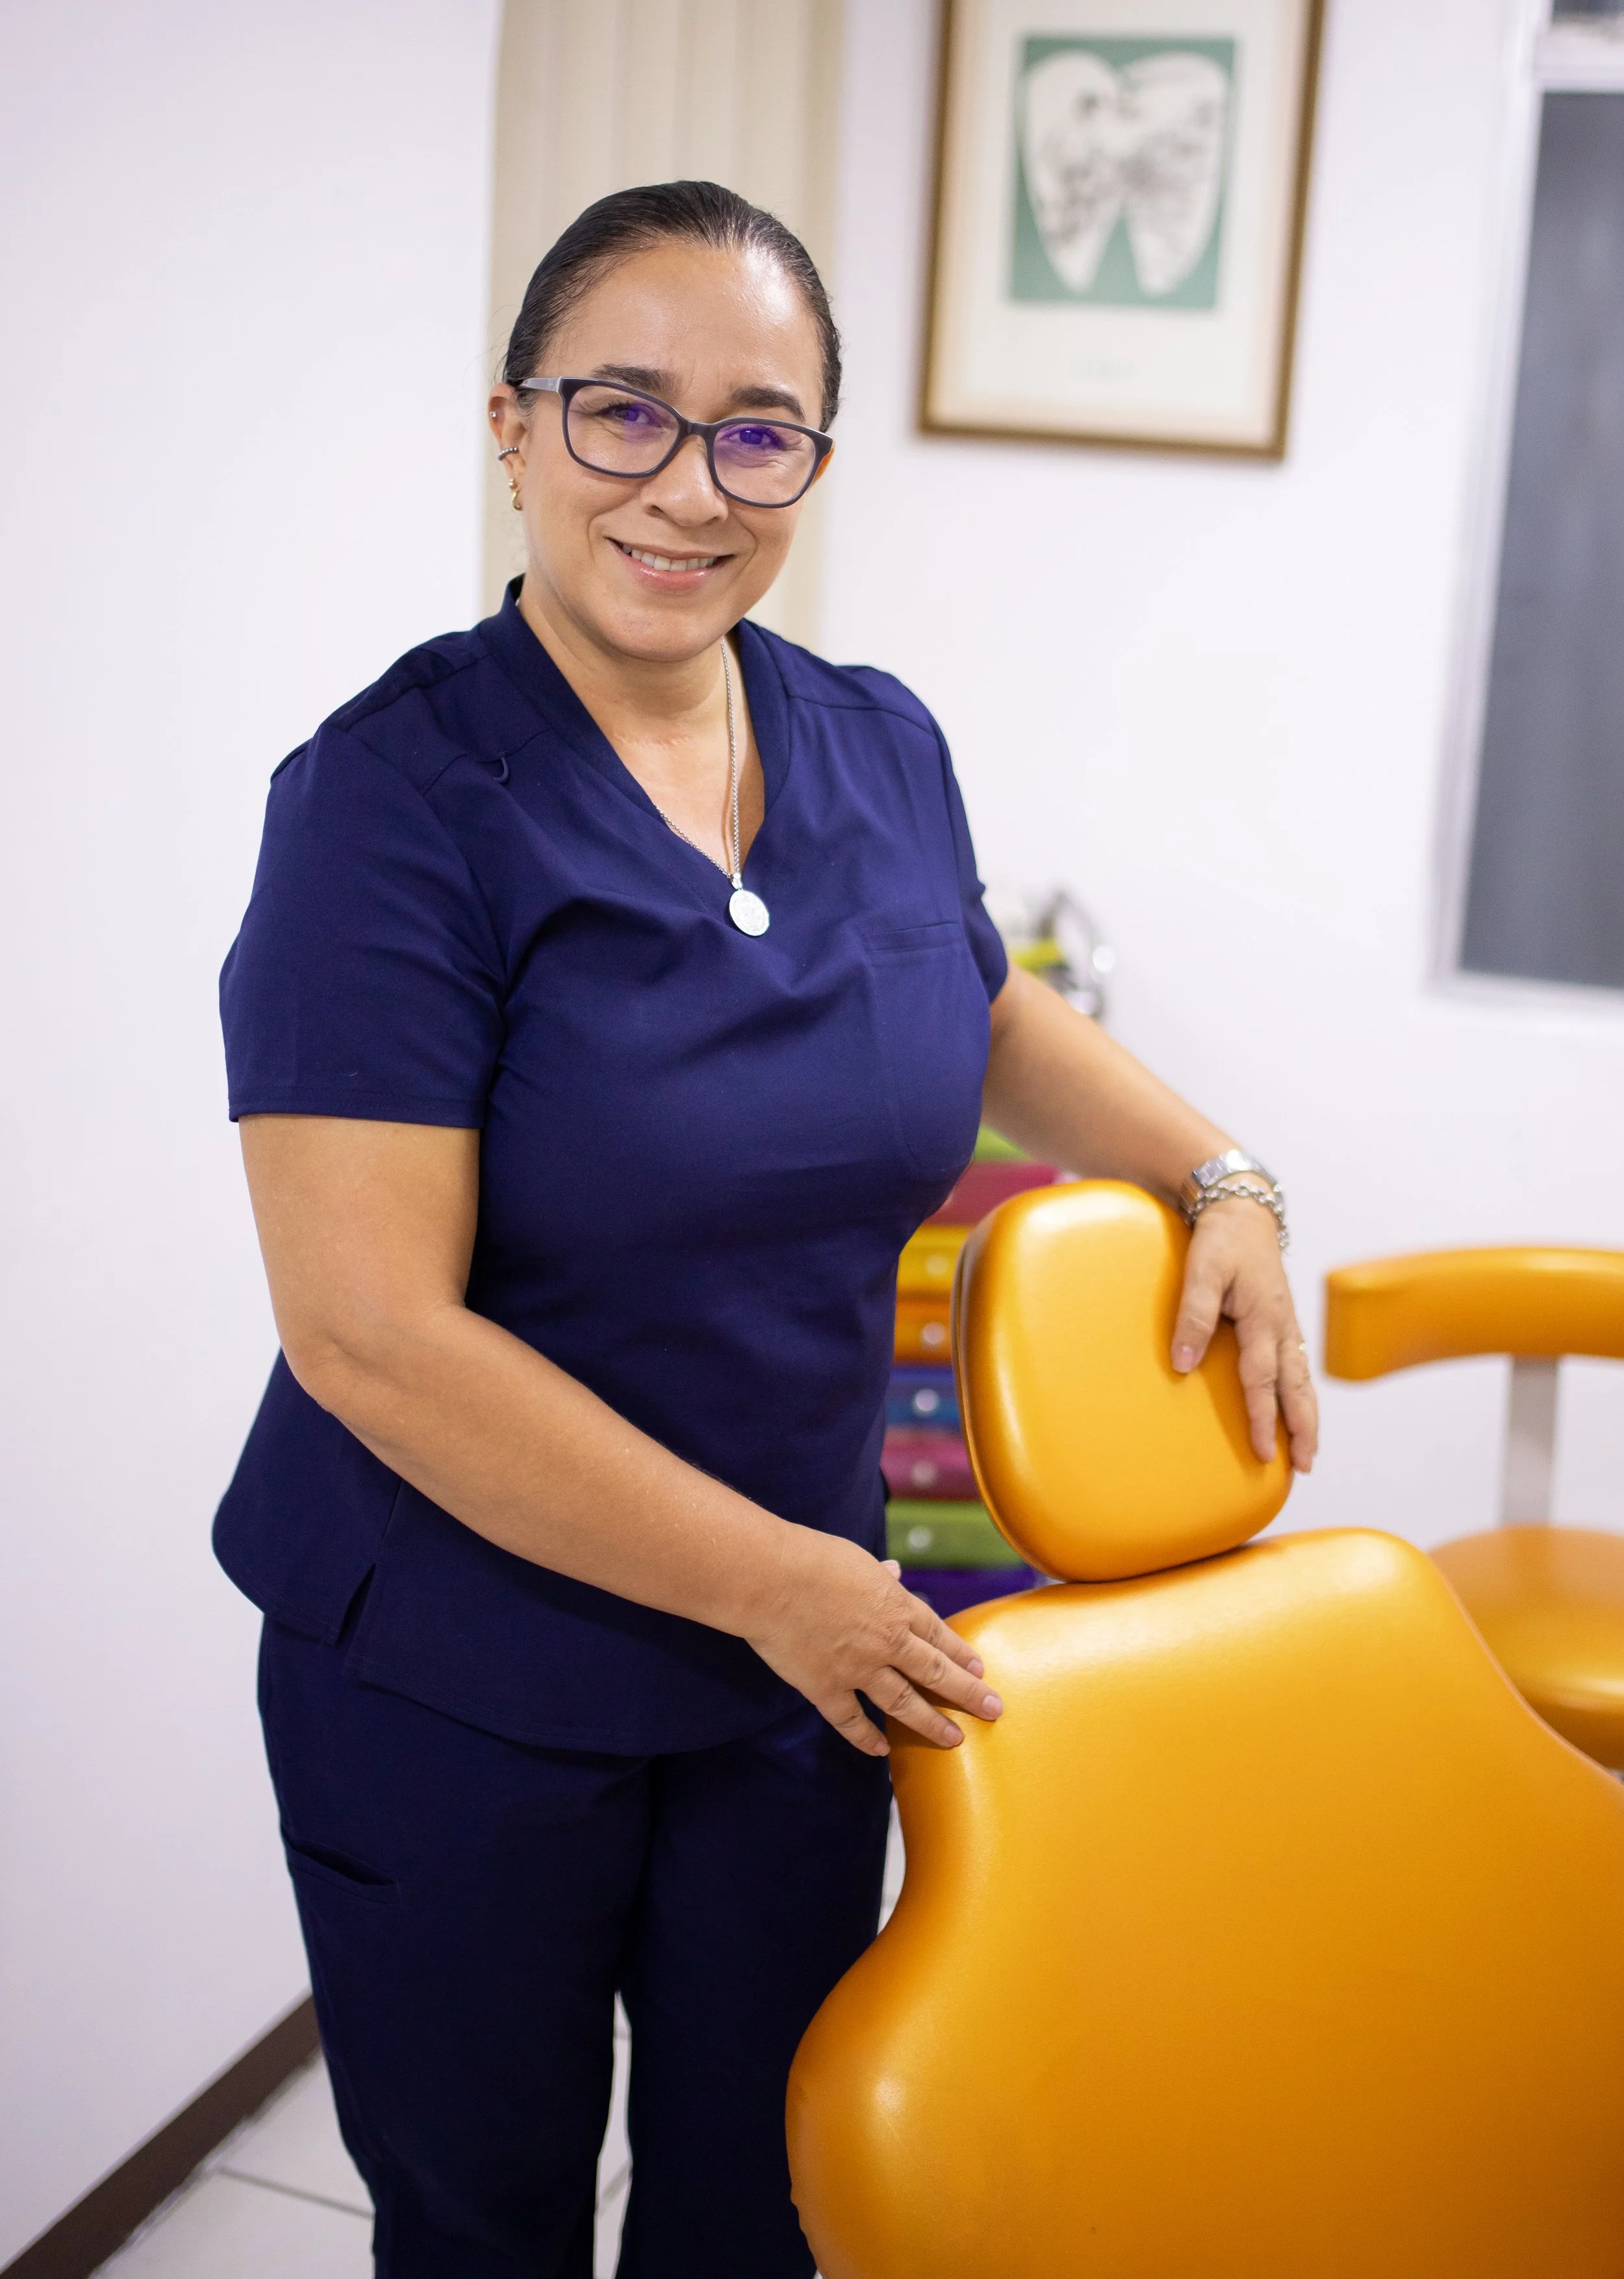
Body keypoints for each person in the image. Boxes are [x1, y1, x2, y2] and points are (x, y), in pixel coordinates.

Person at [216, 179, 1317, 2279]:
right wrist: (782, 1590)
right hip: (465, 1661)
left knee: (769, 2197)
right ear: (513, 428)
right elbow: (366, 1331)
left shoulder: (873, 741)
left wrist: (1215, 1173)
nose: (687, 486)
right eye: (621, 410)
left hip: (796, 1656)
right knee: (487, 2221)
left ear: (810, 457)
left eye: (757, 427)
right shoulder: (389, 800)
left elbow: (972, 999)